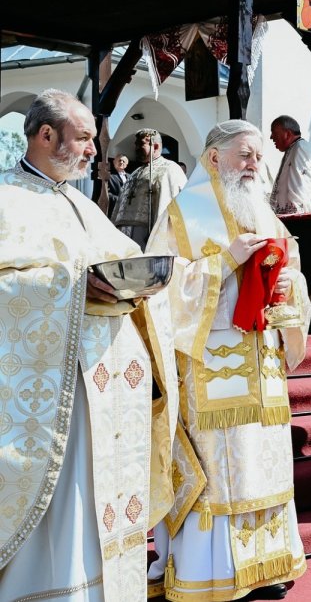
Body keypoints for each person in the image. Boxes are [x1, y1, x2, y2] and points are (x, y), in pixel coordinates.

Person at [0, 89, 178, 602]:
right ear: (45, 134)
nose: (93, 153)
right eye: (82, 140)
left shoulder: (81, 202)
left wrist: (149, 281)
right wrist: (72, 286)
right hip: (53, 392)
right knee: (60, 495)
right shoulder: (7, 199)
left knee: (96, 491)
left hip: (108, 386)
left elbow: (123, 257)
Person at [145, 120, 310, 601]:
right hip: (212, 363)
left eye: (258, 156)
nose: (254, 164)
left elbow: (291, 272)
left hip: (263, 361)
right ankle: (214, 572)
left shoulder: (263, 210)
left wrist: (286, 288)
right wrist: (225, 261)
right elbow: (161, 287)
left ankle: (268, 563)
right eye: (244, 154)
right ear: (213, 158)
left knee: (267, 461)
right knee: (223, 469)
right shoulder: (183, 212)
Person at [111, 127, 188, 249]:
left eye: (140, 144)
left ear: (156, 146)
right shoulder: (136, 172)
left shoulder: (170, 169)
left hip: (149, 232)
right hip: (124, 233)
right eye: (135, 144)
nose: (135, 148)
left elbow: (177, 203)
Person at [268, 115, 311, 214]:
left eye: (274, 133)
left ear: (287, 134)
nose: (271, 137)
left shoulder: (301, 150)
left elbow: (300, 195)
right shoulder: (298, 148)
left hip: (297, 223)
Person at [107, 152, 130, 216]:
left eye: (124, 161)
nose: (121, 162)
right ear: (114, 162)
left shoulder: (131, 176)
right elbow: (107, 194)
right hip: (115, 210)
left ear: (126, 164)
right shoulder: (109, 177)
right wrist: (120, 200)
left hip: (129, 211)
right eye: (119, 160)